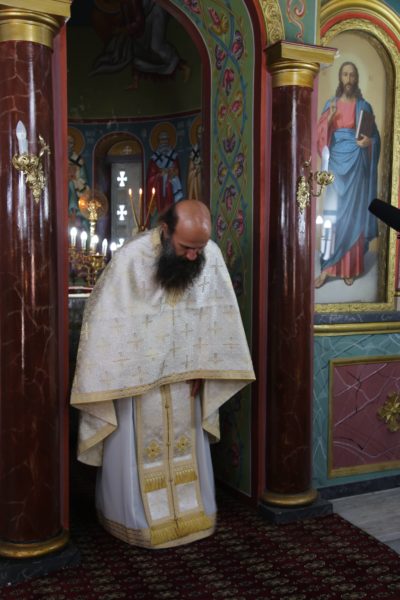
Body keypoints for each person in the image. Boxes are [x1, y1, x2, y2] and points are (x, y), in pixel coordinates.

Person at [71, 199, 255, 549]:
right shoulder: (131, 258)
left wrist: (205, 367)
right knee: (136, 449)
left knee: (186, 445)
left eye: (199, 248)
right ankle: (134, 520)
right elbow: (106, 320)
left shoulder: (210, 255)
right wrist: (125, 371)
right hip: (137, 384)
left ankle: (191, 514)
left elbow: (215, 314)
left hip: (187, 381)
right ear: (166, 230)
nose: (194, 256)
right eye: (186, 247)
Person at [315, 61, 380, 288]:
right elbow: (319, 137)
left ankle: (349, 268)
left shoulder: (364, 106)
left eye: (352, 75)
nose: (348, 79)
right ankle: (327, 268)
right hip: (336, 165)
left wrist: (368, 142)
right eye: (345, 75)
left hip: (356, 166)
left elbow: (375, 138)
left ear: (356, 79)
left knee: (353, 216)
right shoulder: (330, 104)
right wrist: (330, 119)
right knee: (332, 215)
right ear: (340, 78)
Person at [146, 129, 184, 213]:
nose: (164, 142)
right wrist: (159, 175)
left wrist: (171, 173)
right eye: (162, 140)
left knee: (170, 207)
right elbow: (150, 178)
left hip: (170, 186)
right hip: (159, 187)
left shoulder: (173, 156)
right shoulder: (154, 158)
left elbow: (177, 172)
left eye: (166, 140)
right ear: (159, 141)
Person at [68, 134, 90, 233]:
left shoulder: (78, 160)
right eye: (66, 143)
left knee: (71, 185)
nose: (68, 146)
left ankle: (73, 210)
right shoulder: (58, 158)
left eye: (70, 143)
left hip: (75, 186)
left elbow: (83, 179)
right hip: (62, 188)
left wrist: (74, 178)